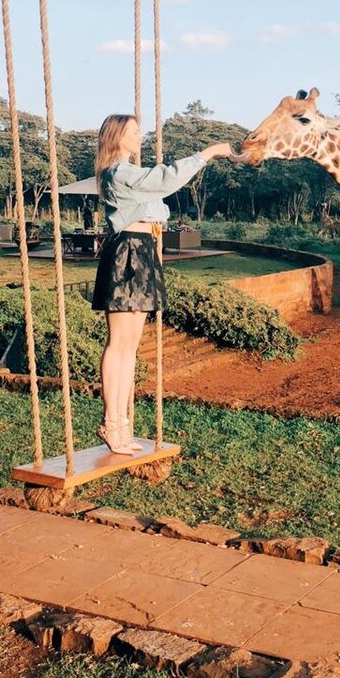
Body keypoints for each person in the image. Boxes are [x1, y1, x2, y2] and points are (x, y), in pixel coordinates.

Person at [91, 113, 232, 454]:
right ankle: (111, 423)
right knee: (120, 343)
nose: (141, 137)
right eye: (135, 132)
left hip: (143, 251)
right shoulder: (119, 173)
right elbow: (166, 179)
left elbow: (158, 194)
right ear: (117, 136)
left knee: (130, 346)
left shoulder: (131, 173)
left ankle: (120, 425)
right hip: (128, 253)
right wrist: (207, 153)